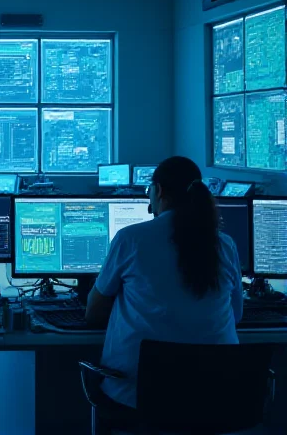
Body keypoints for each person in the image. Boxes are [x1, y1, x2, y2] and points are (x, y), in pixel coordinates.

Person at [85, 155, 242, 414]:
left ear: (158, 190)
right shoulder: (224, 244)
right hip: (213, 397)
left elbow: (94, 313)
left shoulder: (130, 239)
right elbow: (235, 315)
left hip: (136, 397)